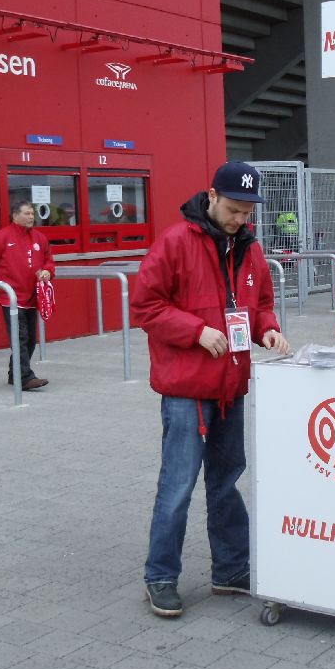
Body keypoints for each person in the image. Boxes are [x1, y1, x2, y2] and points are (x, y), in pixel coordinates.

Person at [131, 161, 288, 619]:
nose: (242, 219)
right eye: (235, 210)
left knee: (226, 483)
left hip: (230, 388)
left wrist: (269, 332)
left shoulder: (250, 249)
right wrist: (196, 331)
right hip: (187, 392)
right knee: (177, 487)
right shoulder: (177, 243)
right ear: (212, 197)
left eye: (248, 212)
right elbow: (145, 306)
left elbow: (259, 305)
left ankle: (230, 569)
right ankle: (160, 575)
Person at [0, 200, 54, 391]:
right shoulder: (1, 237)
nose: (31, 217)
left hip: (32, 296)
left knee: (30, 340)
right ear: (15, 216)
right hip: (10, 297)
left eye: (32, 214)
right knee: (20, 338)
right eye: (26, 213)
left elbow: (48, 260)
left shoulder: (39, 238)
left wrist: (48, 272)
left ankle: (14, 374)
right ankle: (25, 377)